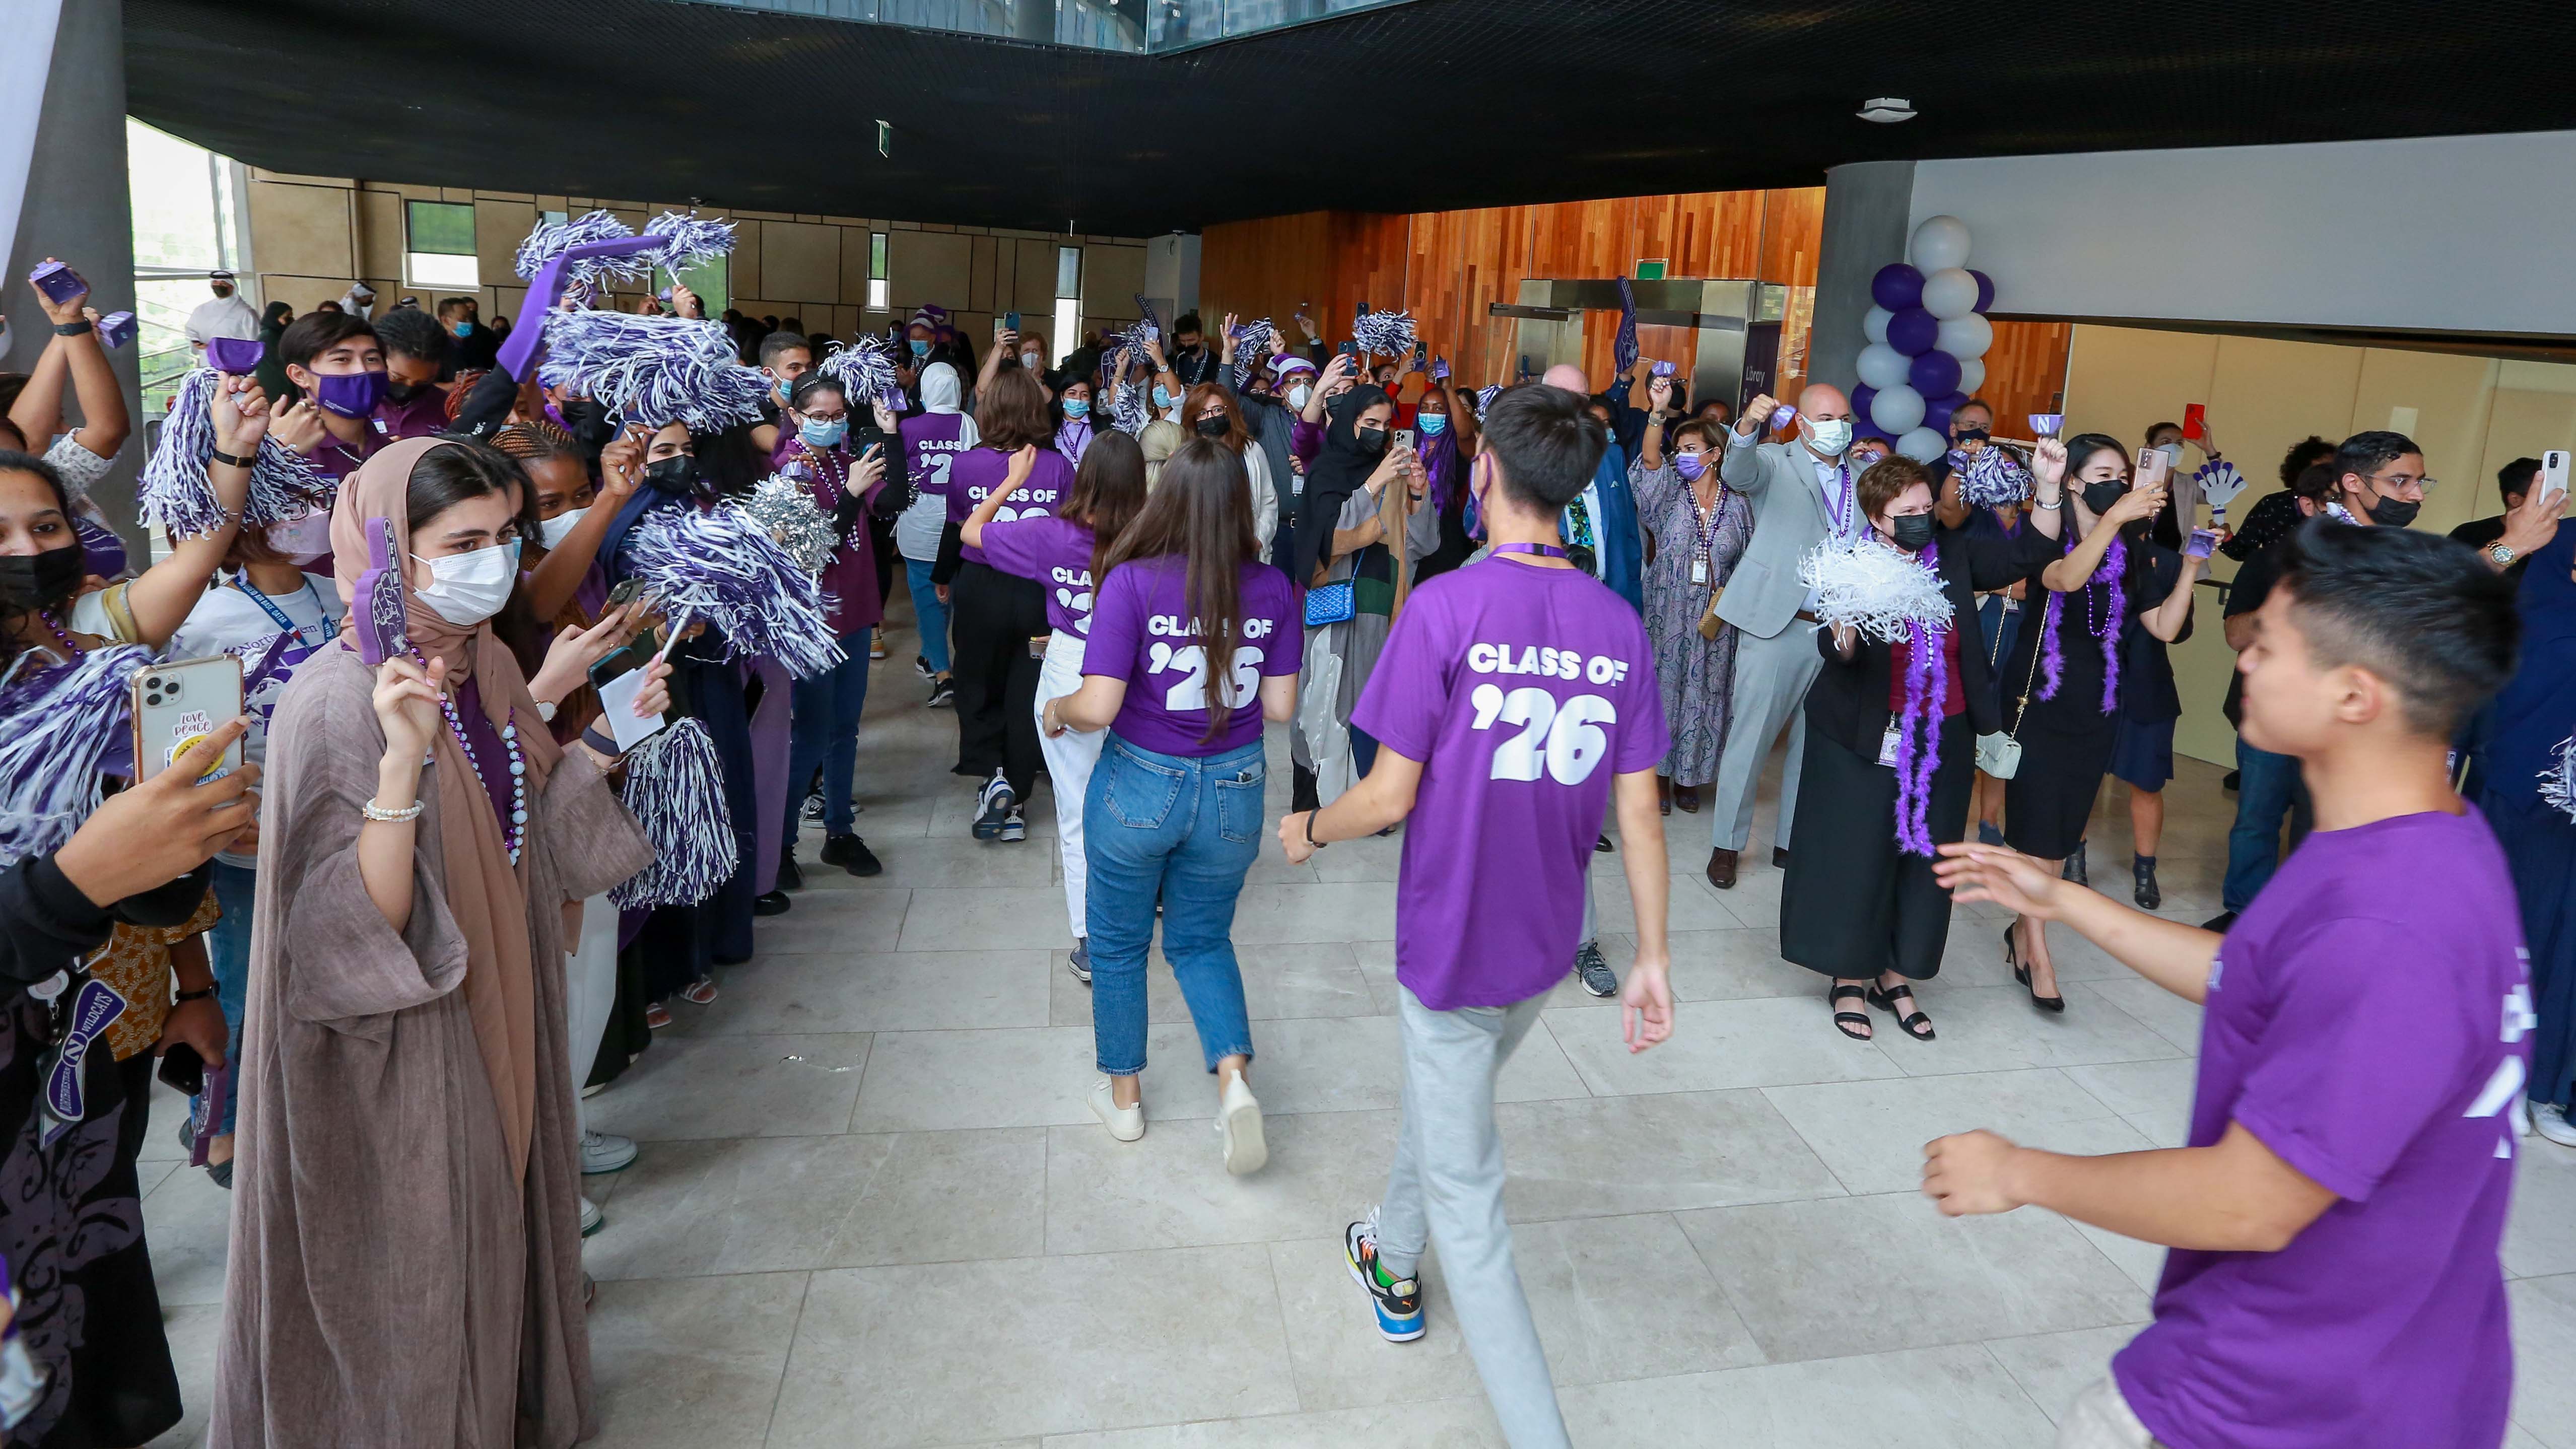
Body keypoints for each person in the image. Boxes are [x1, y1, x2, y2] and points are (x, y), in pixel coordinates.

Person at [1926, 521, 2527, 1449]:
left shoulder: (2387, 922)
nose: (2241, 658)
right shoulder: (2428, 846)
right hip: (2402, 1365)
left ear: (2353, 694)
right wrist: (2062, 902)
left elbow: (2248, 1201)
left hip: (2278, 1395)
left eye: (2267, 646)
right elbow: (2260, 978)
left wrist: (2017, 1171)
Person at [213, 436, 666, 1447]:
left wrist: (607, 736)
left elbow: (523, 824)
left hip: (498, 982)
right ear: (383, 547)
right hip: (410, 1024)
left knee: (496, 1202)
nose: (494, 560)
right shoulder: (338, 702)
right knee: (422, 1244)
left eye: (507, 535)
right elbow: (346, 936)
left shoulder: (483, 658)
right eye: (463, 541)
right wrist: (398, 770)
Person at [1277, 382, 1674, 1449]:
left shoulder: (1446, 605)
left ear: (1484, 471)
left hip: (1452, 943)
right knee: (1445, 1104)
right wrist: (1652, 954)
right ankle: (1387, 1253)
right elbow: (1639, 813)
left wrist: (1311, 827)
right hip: (1544, 943)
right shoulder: (1617, 622)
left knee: (1473, 1200)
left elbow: (1388, 794)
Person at [0, 395, 260, 1443]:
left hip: (98, 1036)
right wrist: (68, 881)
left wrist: (193, 987)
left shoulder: (81, 661)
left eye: (43, 528)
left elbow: (153, 859)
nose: (23, 553)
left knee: (91, 1269)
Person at [1042, 437, 1299, 1170]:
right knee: (1201, 941)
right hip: (1235, 787)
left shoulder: (1130, 581)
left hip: (1141, 784)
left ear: (1167, 496)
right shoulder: (1272, 587)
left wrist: (1058, 707)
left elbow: (1098, 705)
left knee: (1120, 945)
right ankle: (1233, 1082)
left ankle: (1124, 1103)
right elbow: (1279, 706)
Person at [1782, 455, 2041, 1041]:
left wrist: (2046, 490)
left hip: (1942, 732)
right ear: (1877, 519)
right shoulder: (1852, 563)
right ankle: (1848, 975)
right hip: (1860, 733)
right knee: (1856, 853)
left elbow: (2026, 557)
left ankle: (1896, 976)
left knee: (1927, 856)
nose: (1922, 519)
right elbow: (1838, 653)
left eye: (1927, 508)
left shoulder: (1952, 556)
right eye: (1908, 513)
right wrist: (1845, 622)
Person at [166, 488, 352, 1186]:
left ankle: (314, 1106)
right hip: (251, 840)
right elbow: (188, 739)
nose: (304, 516)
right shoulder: (203, 621)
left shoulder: (342, 593)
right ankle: (222, 1126)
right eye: (283, 504)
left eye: (310, 500)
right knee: (244, 988)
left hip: (344, 821)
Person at [1997, 435, 2201, 1009]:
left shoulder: (2131, 547)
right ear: (2072, 482)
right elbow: (2063, 580)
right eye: (2104, 473)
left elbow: (2160, 626)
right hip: (2039, 697)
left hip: (2098, 704)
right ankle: (2035, 948)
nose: (2118, 482)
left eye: (2122, 473)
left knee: (2060, 832)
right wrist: (2114, 517)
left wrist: (2189, 569)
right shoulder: (2046, 531)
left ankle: (2021, 929)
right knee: (2034, 825)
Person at [966, 431, 1147, 982]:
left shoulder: (1051, 533)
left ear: (1083, 476)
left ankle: (1092, 939)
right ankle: (1139, 912)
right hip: (1140, 672)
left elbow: (973, 533)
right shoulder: (1154, 537)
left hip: (1070, 669)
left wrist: (1011, 483)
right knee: (1140, 800)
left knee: (1076, 810)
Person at [1701, 382, 1864, 888]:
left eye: (1843, 416)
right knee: (1750, 740)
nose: (1837, 425)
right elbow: (1736, 471)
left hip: (1838, 631)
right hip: (1778, 625)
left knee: (1814, 744)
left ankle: (1791, 840)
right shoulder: (1775, 461)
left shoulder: (1863, 476)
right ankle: (1726, 844)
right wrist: (1747, 426)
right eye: (1826, 416)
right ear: (1802, 423)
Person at [930, 367, 1074, 842]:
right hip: (1038, 595)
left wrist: (943, 577)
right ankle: (1015, 790)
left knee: (977, 680)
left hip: (981, 588)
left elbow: (958, 525)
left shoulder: (967, 465)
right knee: (1029, 687)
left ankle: (990, 774)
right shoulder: (1057, 466)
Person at [773, 372, 898, 879]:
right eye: (818, 417)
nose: (830, 423)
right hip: (812, 622)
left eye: (838, 415)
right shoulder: (788, 472)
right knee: (809, 734)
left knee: (845, 730)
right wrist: (849, 496)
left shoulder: (848, 463)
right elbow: (810, 549)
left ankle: (839, 831)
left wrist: (891, 435)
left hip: (853, 611)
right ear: (796, 418)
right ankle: (781, 846)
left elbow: (894, 504)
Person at [2207, 462, 2340, 931]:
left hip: (2336, 719)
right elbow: (2234, 634)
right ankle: (2244, 909)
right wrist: (2287, 606)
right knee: (2257, 817)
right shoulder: (2269, 560)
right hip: (2269, 711)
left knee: (2322, 821)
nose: (2343, 511)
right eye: (2332, 501)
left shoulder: (2369, 563)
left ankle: (2306, 916)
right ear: (2307, 506)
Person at [2478, 525, 2576, 1145]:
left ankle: (2552, 1089)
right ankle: (2502, 1078)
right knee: (2520, 940)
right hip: (2526, 797)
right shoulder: (2532, 605)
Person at [1283, 382, 1418, 811]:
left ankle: (1367, 802)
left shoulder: (1391, 470)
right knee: (1322, 695)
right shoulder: (1328, 471)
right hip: (1335, 594)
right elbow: (1331, 537)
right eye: (1369, 424)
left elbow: (1422, 540)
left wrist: (1416, 491)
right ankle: (1313, 799)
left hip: (1381, 598)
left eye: (1385, 424)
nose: (1379, 433)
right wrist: (1372, 485)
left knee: (1373, 700)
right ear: (1350, 423)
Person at [1631, 380, 1753, 818]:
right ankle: (1658, 777)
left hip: (1716, 617)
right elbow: (1648, 462)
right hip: (1666, 610)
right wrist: (1658, 413)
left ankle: (1690, 778)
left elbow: (1749, 557)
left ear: (1715, 454)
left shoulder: (1740, 503)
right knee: (1663, 692)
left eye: (1692, 448)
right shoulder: (1668, 493)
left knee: (1706, 694)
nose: (1682, 454)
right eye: (1678, 448)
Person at [897, 360, 976, 708]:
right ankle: (945, 659)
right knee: (955, 595)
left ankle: (941, 670)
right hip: (958, 520)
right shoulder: (967, 423)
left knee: (928, 600)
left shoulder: (909, 427)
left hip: (917, 521)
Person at [1540, 366, 1643, 612]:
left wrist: (1632, 601)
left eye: (1582, 398)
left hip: (1610, 599)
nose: (1573, 404)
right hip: (1549, 601)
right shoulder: (1521, 455)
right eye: (1564, 395)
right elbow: (1475, 521)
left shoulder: (1611, 455)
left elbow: (1629, 536)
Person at [275, 309, 389, 488]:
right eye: (342, 359)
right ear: (300, 375)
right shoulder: (280, 451)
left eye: (372, 359)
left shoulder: (389, 451)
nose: (362, 370)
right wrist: (278, 457)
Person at [1182, 381, 1278, 560]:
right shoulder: (1187, 458)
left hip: (1247, 552)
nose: (1211, 417)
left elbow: (1268, 500)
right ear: (1194, 420)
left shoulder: (1253, 451)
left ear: (1229, 411)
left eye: (1218, 410)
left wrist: (1259, 540)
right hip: (1202, 556)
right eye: (1202, 413)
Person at [2451, 454, 2566, 583]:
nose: (2554, 501)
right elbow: (2445, 584)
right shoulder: (2469, 534)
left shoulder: (2570, 535)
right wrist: (2515, 543)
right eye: (2545, 495)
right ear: (2515, 500)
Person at [370, 304, 455, 442]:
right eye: (397, 377)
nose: (408, 388)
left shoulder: (446, 408)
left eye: (424, 381)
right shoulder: (353, 404)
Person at [183, 267, 259, 351]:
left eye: (223, 283)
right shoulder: (201, 309)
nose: (219, 286)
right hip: (208, 355)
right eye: (215, 283)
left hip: (235, 358)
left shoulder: (246, 312)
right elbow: (190, 329)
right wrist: (196, 341)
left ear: (232, 286)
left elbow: (255, 340)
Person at [438, 294, 500, 371]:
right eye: (463, 319)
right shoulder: (436, 350)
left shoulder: (475, 344)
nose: (469, 322)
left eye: (470, 318)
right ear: (446, 321)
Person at [1167, 311, 1220, 388]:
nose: (1187, 345)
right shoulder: (1176, 361)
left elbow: (1220, 390)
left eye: (1191, 340)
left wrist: (1198, 394)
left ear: (1202, 337)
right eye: (1183, 341)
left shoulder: (1215, 361)